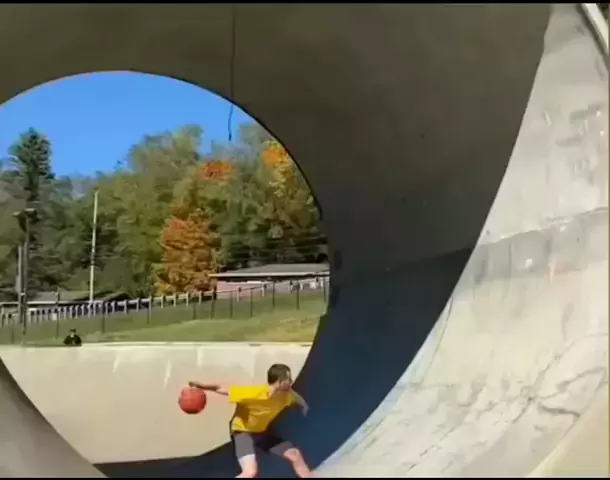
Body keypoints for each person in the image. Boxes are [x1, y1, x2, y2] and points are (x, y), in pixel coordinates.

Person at [189, 363, 313, 478]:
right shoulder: (254, 394)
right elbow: (222, 388)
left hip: (262, 432)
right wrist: (202, 386)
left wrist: (304, 407)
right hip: (243, 432)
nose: (291, 381)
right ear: (279, 381)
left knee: (295, 455)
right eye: (288, 379)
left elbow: (297, 398)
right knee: (250, 472)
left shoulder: (286, 395)